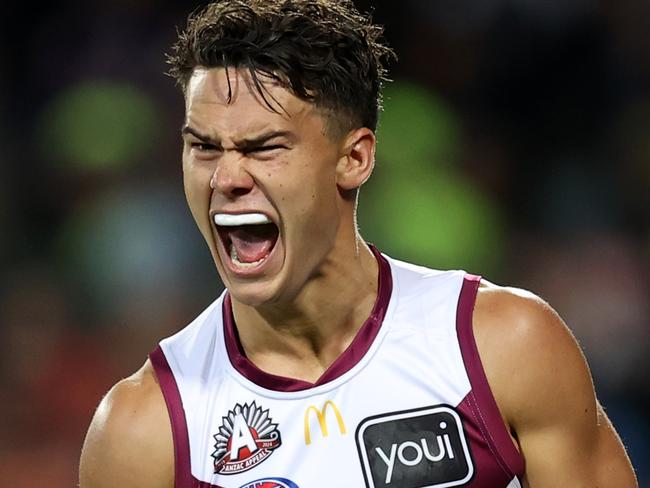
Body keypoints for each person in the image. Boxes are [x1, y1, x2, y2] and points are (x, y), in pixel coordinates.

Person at [79, 1, 637, 487]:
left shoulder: (501, 347)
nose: (225, 178)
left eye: (264, 147)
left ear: (355, 158)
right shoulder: (143, 429)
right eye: (203, 147)